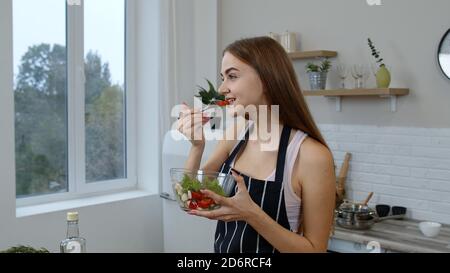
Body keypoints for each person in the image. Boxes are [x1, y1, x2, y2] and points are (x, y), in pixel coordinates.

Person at [177, 36, 336, 253]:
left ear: (267, 80)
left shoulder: (311, 155)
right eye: (222, 78)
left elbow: (315, 250)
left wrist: (252, 214)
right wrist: (197, 147)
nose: (222, 88)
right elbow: (192, 200)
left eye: (232, 76)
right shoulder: (236, 133)